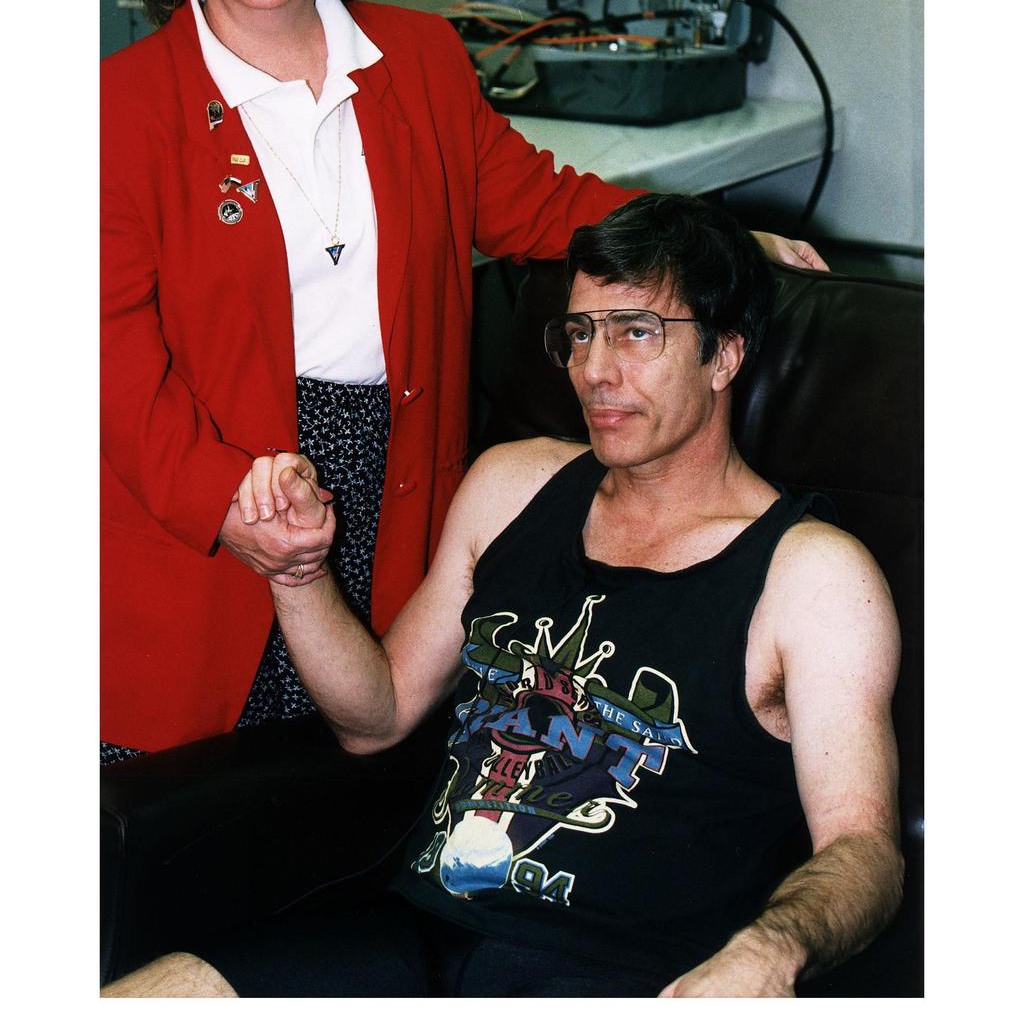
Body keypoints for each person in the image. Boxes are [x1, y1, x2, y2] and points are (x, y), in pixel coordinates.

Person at [100, 0, 828, 762]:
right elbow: (105, 362)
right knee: (194, 800)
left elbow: (538, 201)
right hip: (208, 493)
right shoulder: (116, 109)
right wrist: (226, 503)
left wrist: (716, 238)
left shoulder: (420, 58)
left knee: (357, 776)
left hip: (392, 480)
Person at [102, 195, 900, 998]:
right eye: (580, 333)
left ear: (723, 355)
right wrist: (297, 572)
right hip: (412, 937)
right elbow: (375, 719)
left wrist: (771, 951)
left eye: (636, 332)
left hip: (612, 972)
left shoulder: (812, 578)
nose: (595, 369)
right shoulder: (511, 487)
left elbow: (864, 849)